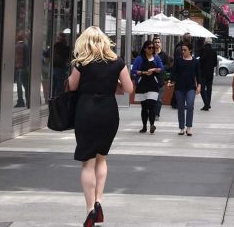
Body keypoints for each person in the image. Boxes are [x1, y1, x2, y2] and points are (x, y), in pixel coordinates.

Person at [68, 26, 133, 227]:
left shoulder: (81, 63)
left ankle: (89, 210)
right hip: (108, 111)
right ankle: (99, 201)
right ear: (105, 41)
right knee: (101, 159)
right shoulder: (117, 62)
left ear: (84, 41)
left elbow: (71, 86)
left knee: (87, 161)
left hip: (86, 110)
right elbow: (129, 89)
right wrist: (115, 84)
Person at [169, 40, 202, 135]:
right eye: (182, 50)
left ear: (190, 50)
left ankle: (189, 127)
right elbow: (173, 72)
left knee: (190, 105)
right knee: (180, 107)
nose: (183, 51)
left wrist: (199, 86)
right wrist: (170, 81)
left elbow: (198, 75)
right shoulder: (178, 60)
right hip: (179, 87)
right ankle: (181, 127)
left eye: (185, 50)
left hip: (191, 87)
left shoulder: (195, 61)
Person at [130, 40, 163, 133]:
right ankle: (144, 126)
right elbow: (133, 71)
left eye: (153, 48)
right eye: (149, 48)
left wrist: (154, 69)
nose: (151, 49)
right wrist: (143, 72)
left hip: (153, 84)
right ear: (145, 49)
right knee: (144, 107)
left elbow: (161, 68)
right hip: (142, 84)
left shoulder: (156, 58)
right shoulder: (139, 59)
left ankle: (152, 125)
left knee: (151, 104)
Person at [152, 36, 171, 120]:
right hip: (151, 79)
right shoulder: (150, 53)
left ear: (160, 43)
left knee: (159, 99)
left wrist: (161, 67)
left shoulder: (164, 54)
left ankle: (157, 114)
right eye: (155, 42)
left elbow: (168, 65)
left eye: (158, 42)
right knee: (151, 98)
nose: (157, 43)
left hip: (160, 79)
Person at [199, 40, 218, 111]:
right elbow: (215, 63)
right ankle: (207, 104)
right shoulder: (214, 51)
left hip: (203, 72)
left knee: (202, 88)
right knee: (209, 89)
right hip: (210, 73)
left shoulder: (202, 50)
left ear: (205, 43)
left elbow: (201, 61)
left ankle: (206, 103)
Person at [52, 32, 71, 99]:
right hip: (62, 68)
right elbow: (68, 58)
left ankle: (54, 99)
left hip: (55, 67)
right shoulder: (67, 47)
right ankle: (59, 99)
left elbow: (47, 55)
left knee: (54, 85)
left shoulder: (55, 46)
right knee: (60, 85)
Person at [14, 30, 30, 108]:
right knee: (22, 86)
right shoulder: (20, 45)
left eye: (19, 34)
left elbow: (26, 57)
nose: (17, 35)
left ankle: (22, 101)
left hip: (21, 68)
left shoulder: (23, 45)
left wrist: (26, 67)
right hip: (20, 68)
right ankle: (23, 101)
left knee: (21, 86)